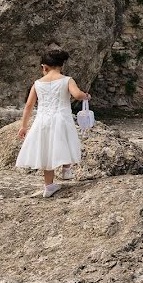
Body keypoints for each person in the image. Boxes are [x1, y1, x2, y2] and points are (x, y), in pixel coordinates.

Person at [16, 49, 90, 198]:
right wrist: (86, 96)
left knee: (46, 151)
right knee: (65, 142)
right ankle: (66, 169)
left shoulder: (37, 84)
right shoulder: (67, 80)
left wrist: (24, 126)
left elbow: (29, 105)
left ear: (44, 67)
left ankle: (49, 186)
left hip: (42, 120)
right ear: (61, 65)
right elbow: (76, 94)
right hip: (61, 118)